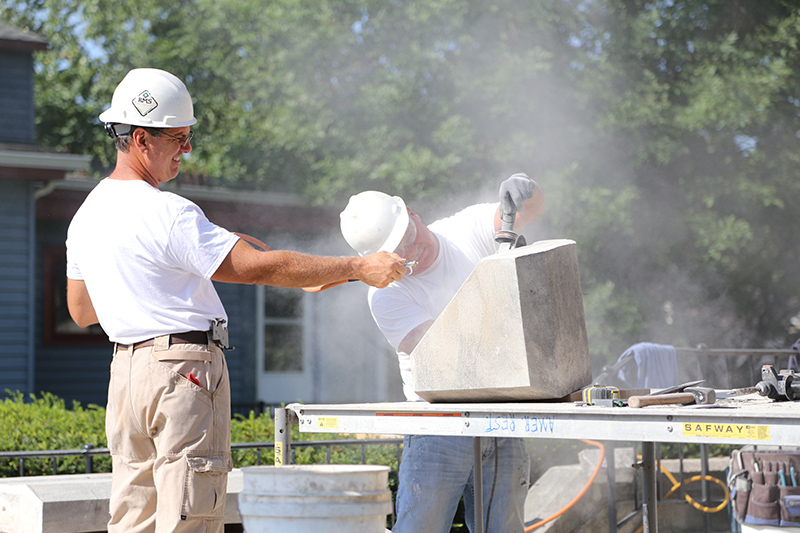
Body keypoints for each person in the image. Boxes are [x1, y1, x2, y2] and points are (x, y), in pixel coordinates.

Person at [65, 68, 406, 533]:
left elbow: (82, 311)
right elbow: (257, 268)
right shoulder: (168, 212)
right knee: (190, 517)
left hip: (125, 377)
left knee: (133, 521)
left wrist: (164, 277)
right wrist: (356, 267)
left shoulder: (86, 216)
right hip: (181, 371)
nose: (187, 151)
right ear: (142, 139)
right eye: (180, 138)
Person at [339, 174, 545, 532]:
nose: (412, 248)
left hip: (502, 412)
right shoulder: (386, 295)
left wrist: (526, 186)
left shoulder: (466, 228)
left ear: (413, 213)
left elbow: (530, 209)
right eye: (398, 249)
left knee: (505, 528)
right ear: (378, 258)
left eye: (410, 234)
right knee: (423, 526)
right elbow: (443, 356)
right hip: (438, 424)